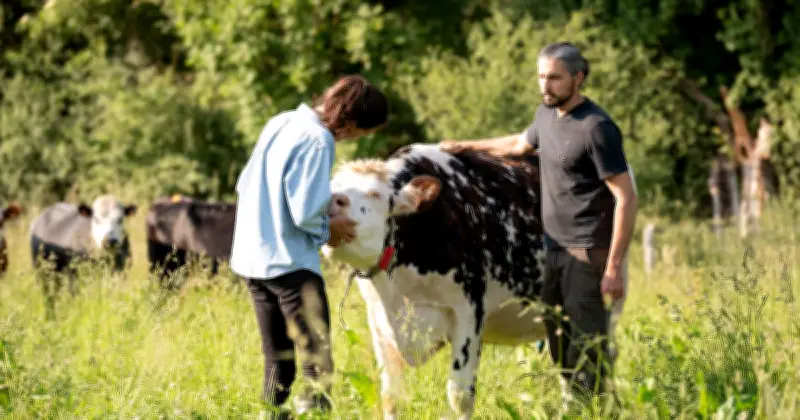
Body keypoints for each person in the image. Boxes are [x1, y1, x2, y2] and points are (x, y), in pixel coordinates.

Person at [440, 42, 637, 406]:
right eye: (541, 77)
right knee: (558, 337)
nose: (545, 86)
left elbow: (626, 197)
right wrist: (463, 146)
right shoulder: (547, 114)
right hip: (552, 247)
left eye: (555, 78)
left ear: (578, 78)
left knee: (587, 344)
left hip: (588, 249)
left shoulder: (597, 128)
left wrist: (612, 267)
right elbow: (517, 144)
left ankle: (599, 410)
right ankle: (580, 405)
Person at [229, 74, 389, 417]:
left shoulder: (281, 121)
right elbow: (304, 212)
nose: (356, 139)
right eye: (363, 133)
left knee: (278, 358)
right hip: (290, 263)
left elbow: (245, 184)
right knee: (318, 363)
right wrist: (329, 230)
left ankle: (268, 415)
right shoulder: (318, 140)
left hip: (252, 260)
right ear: (354, 122)